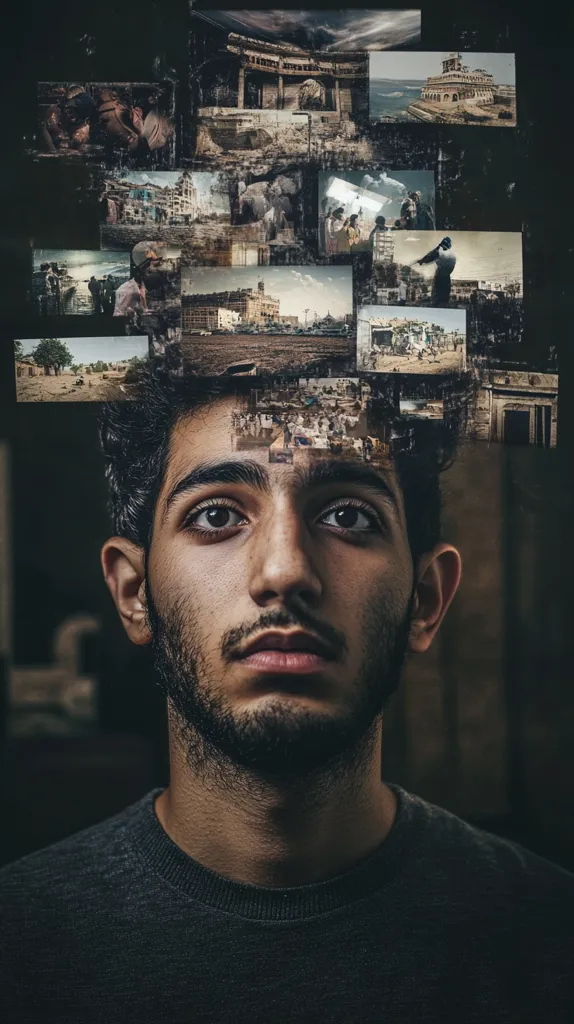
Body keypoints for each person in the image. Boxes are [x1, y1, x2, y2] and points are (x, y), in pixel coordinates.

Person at [0, 369, 572, 1021]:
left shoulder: (552, 945)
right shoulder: (18, 951)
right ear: (135, 594)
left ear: (425, 599)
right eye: (217, 515)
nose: (285, 571)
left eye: (347, 515)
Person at [414, 236, 457, 306]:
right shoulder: (453, 256)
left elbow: (430, 256)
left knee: (436, 296)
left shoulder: (440, 253)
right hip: (446, 278)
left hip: (440, 276)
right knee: (444, 297)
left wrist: (422, 261)